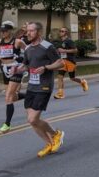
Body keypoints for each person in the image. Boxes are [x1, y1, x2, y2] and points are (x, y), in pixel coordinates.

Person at [13, 22, 65, 157]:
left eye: (31, 31)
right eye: (27, 31)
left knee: (32, 119)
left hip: (44, 86)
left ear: (39, 32)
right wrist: (18, 69)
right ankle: (49, 143)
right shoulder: (28, 48)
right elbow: (26, 65)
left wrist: (46, 67)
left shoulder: (47, 47)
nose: (28, 34)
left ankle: (56, 134)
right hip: (32, 86)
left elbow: (61, 63)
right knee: (32, 121)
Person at [0, 20, 27, 135]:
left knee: (8, 97)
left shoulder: (17, 42)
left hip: (15, 69)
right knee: (13, 97)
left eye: (5, 31)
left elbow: (29, 52)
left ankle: (7, 125)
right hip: (5, 69)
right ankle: (30, 95)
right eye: (1, 31)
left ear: (10, 31)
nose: (3, 33)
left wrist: (22, 59)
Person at [53, 27, 89, 98]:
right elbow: (59, 50)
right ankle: (60, 94)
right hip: (62, 61)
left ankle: (82, 82)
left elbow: (75, 50)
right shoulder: (60, 42)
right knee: (60, 77)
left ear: (66, 33)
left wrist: (64, 51)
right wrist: (58, 51)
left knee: (72, 78)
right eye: (60, 31)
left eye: (62, 31)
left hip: (70, 61)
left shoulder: (69, 41)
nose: (60, 32)